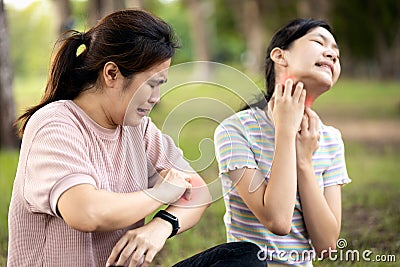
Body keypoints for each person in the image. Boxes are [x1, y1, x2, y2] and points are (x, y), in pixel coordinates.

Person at [7, 9, 263, 267]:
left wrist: (161, 226)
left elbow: (197, 192)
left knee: (244, 257)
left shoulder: (136, 129)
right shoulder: (55, 124)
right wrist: (161, 193)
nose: (157, 97)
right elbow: (85, 212)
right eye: (152, 84)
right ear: (111, 74)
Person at [214, 18, 352, 266]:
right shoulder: (236, 130)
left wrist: (305, 163)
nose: (331, 53)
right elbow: (277, 220)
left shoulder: (331, 140)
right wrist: (286, 133)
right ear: (280, 56)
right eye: (319, 42)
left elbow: (327, 245)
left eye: (336, 53)